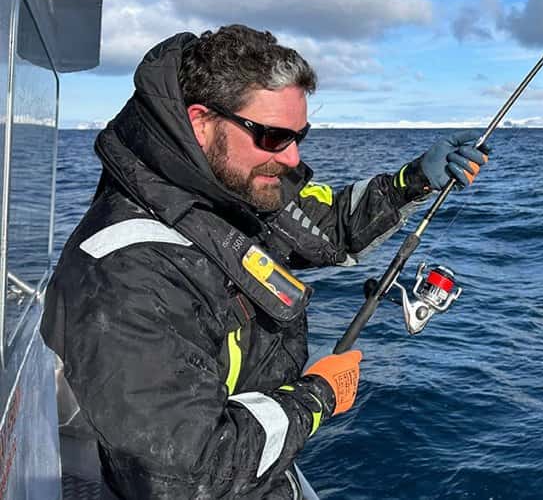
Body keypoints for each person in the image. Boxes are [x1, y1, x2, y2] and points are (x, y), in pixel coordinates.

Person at [41, 25, 488, 499]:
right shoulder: (126, 274)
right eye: (274, 136)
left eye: (300, 135)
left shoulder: (227, 187)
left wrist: (411, 181)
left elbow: (326, 231)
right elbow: (186, 476)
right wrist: (317, 397)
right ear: (200, 121)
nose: (293, 158)